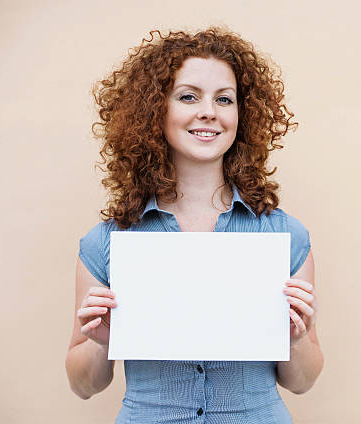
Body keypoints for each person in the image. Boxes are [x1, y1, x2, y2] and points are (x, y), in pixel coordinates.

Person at [65, 27, 323, 423]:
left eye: (224, 99)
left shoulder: (284, 236)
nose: (209, 112)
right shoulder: (107, 242)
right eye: (189, 96)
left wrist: (297, 337)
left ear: (242, 114)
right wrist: (103, 342)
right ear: (156, 111)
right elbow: (83, 386)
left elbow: (303, 382)